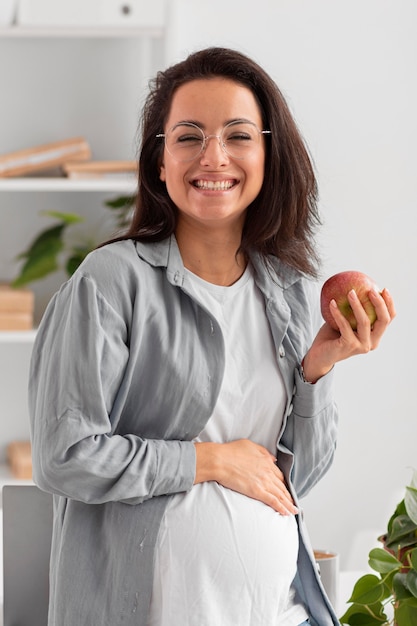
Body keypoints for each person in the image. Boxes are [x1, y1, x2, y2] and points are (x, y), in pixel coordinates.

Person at [28, 47, 395, 626]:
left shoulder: (289, 290)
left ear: (269, 156)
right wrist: (210, 461)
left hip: (283, 613)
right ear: (160, 162)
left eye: (238, 135)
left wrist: (316, 371)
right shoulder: (111, 282)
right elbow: (64, 457)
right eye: (189, 136)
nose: (213, 156)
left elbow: (299, 479)